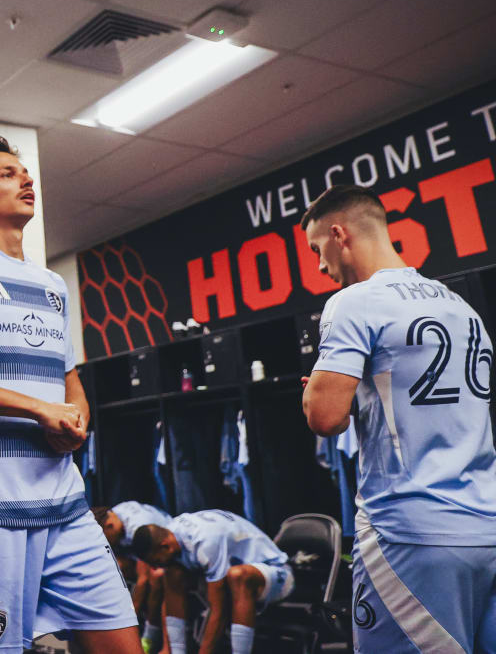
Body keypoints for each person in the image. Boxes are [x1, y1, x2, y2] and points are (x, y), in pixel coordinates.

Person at [0, 135, 140, 654]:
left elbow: (70, 381)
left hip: (65, 502)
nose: (26, 180)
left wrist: (75, 422)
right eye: (7, 174)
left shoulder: (52, 286)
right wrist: (37, 409)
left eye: (25, 173)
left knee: (123, 644)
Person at [300, 184, 496, 652]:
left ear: (338, 233)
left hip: (409, 534)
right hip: (486, 527)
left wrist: (315, 396)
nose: (320, 266)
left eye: (316, 250)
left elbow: (325, 419)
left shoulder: (353, 302)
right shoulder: (459, 305)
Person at [132, 510, 292, 654]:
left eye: (156, 561)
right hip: (231, 576)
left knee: (238, 576)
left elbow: (218, 610)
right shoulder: (171, 530)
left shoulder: (206, 543)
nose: (155, 567)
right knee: (172, 573)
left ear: (165, 546)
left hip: (276, 574)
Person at [94, 502, 174, 652]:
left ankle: (151, 636)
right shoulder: (114, 514)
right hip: (141, 553)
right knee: (112, 567)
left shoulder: (137, 527)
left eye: (105, 538)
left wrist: (129, 621)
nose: (105, 543)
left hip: (164, 551)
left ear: (109, 526)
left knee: (154, 578)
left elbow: (142, 580)